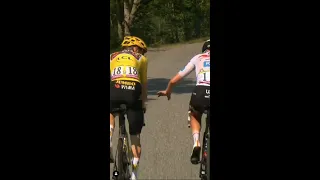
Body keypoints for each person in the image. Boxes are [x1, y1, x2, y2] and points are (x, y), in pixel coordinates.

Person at [157, 39, 210, 164]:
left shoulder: (198, 58)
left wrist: (168, 91)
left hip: (201, 91)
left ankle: (196, 142)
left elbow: (175, 80)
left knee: (195, 114)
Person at [110, 36, 148, 180]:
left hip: (114, 88)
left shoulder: (112, 56)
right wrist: (143, 104)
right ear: (136, 48)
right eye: (142, 51)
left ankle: (109, 138)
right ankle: (134, 174)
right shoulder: (141, 59)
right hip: (133, 92)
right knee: (135, 134)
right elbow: (143, 84)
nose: (142, 54)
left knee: (111, 110)